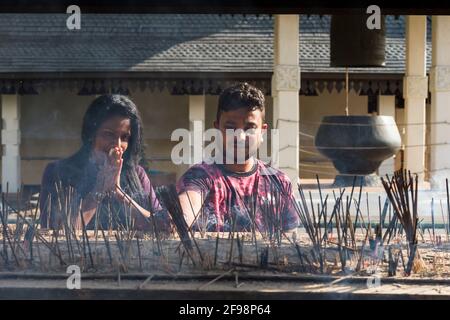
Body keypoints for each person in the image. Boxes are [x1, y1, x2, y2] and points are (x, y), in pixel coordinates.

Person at [177, 82, 299, 233]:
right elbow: (183, 216)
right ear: (217, 130)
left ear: (263, 132)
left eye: (250, 128)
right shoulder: (199, 177)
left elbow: (291, 243)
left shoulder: (279, 183)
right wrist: (175, 219)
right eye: (230, 127)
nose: (240, 136)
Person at [39, 94, 169, 231]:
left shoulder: (137, 174)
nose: (117, 145)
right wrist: (100, 188)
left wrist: (121, 195)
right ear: (91, 135)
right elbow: (57, 233)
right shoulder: (59, 172)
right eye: (108, 134)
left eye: (124, 137)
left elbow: (164, 226)